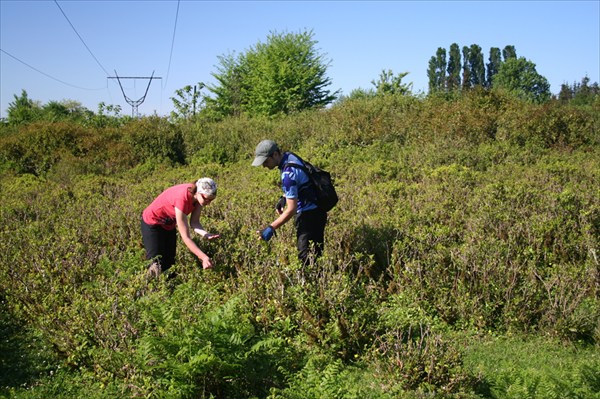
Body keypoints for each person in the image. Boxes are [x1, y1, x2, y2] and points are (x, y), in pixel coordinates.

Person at [252, 140, 327, 265]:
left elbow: (291, 210)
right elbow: (301, 179)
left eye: (265, 161)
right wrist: (284, 197)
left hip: (308, 217)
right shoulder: (289, 157)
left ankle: (313, 282)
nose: (264, 166)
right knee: (316, 254)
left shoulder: (288, 174)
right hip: (318, 211)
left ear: (275, 154)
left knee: (305, 260)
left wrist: (270, 228)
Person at [141, 178, 220, 278]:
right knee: (155, 263)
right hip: (152, 222)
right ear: (198, 192)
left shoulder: (199, 200)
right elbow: (186, 238)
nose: (208, 203)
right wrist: (203, 257)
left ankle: (169, 290)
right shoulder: (182, 199)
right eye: (206, 199)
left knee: (170, 263)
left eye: (211, 200)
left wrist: (205, 234)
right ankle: (152, 290)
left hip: (168, 224)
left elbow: (194, 222)